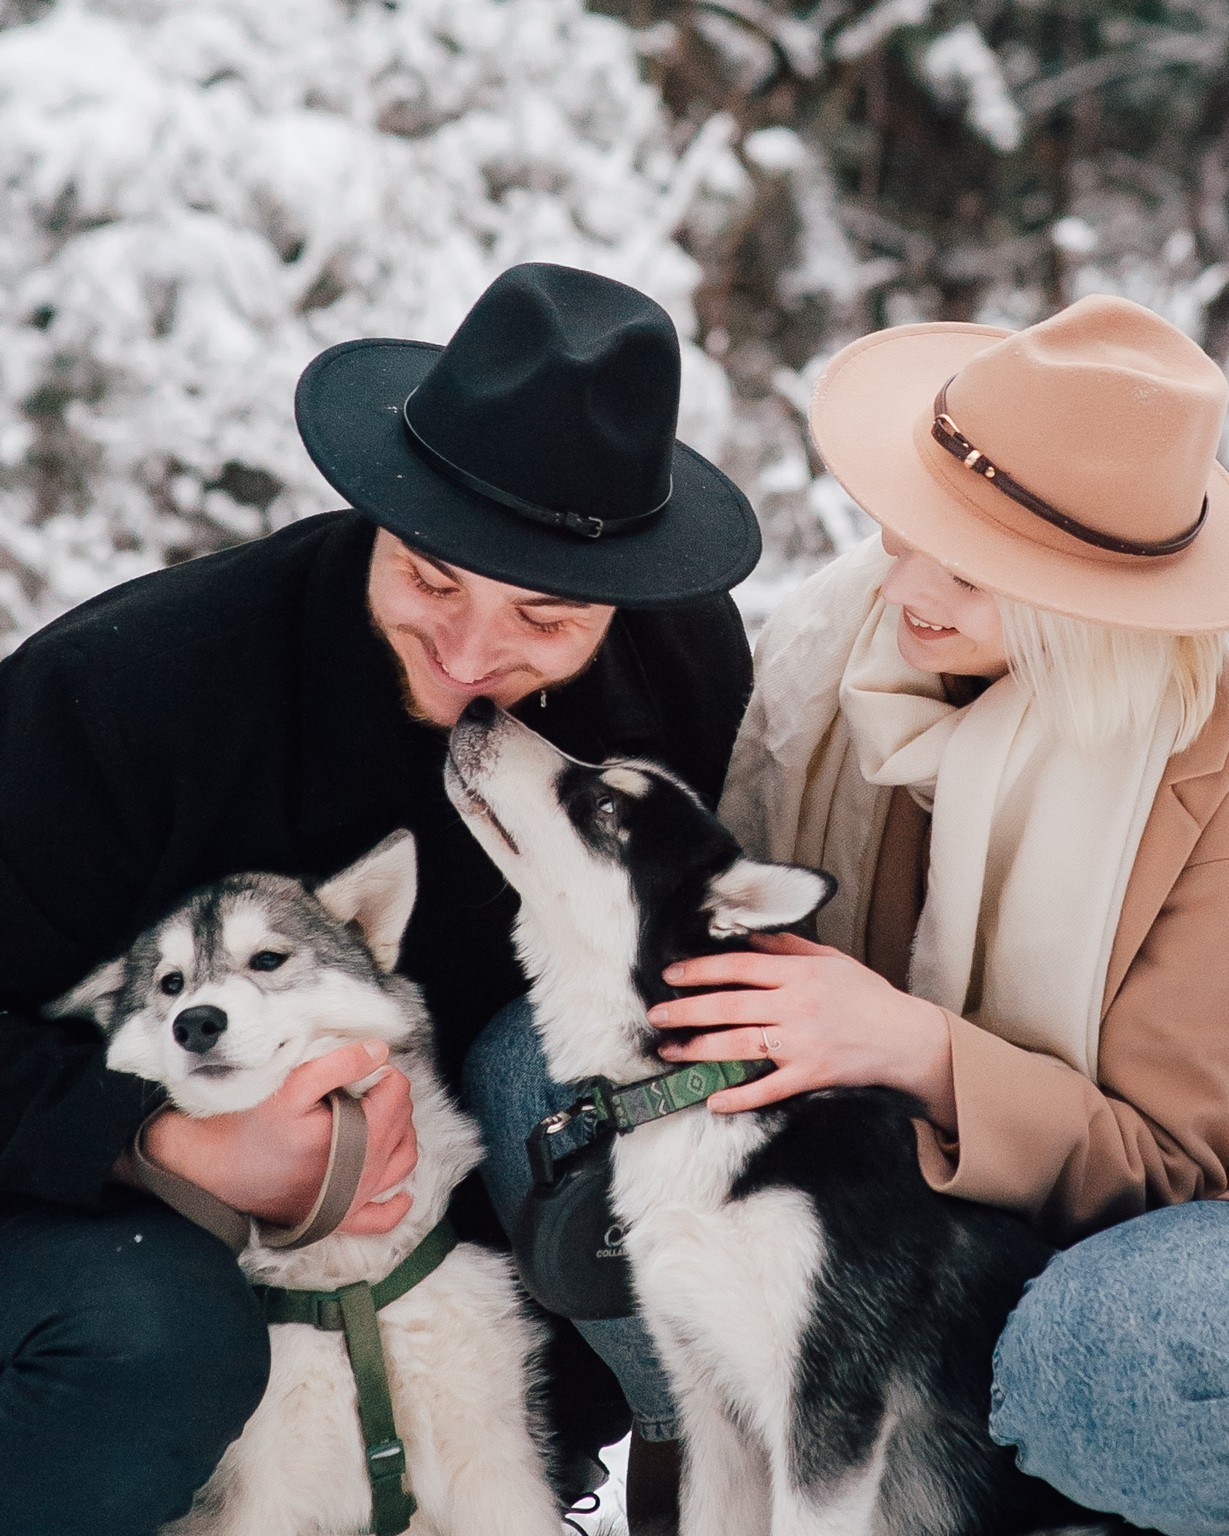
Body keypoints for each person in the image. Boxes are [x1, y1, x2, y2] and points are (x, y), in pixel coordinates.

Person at [0, 261, 761, 1536]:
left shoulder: (682, 666)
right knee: (158, 1340)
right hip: (74, 1199)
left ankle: (698, 1471)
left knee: (620, 1080)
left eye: (545, 615)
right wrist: (167, 1144)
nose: (470, 658)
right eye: (430, 579)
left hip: (435, 1202)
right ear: (380, 512)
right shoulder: (126, 694)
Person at [473, 293, 1229, 1536]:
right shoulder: (843, 650)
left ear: (1082, 608)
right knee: (533, 1072)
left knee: (1121, 1345)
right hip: (851, 1202)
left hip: (1103, 1248)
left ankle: (1058, 1484)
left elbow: (1182, 1182)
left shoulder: (1198, 781)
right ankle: (706, 1445)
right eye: (911, 524)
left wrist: (919, 1052)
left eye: (970, 572)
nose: (898, 578)